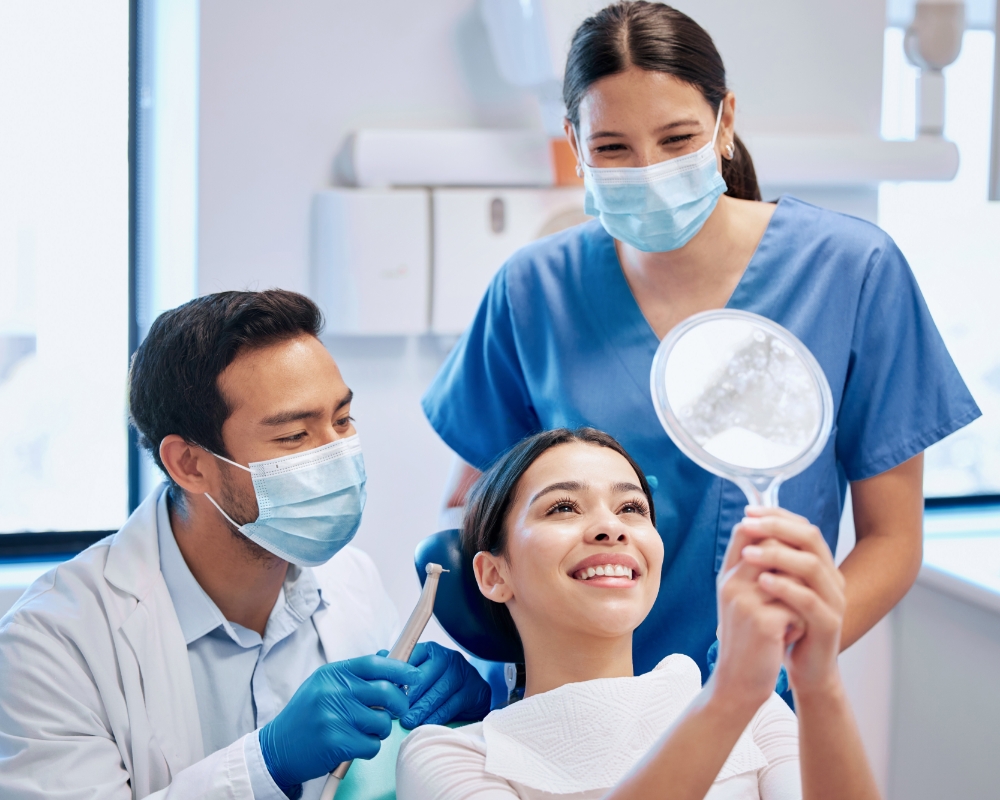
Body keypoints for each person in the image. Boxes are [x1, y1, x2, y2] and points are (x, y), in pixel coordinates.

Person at [422, 0, 980, 682]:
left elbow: (892, 542)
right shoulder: (534, 289)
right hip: (566, 702)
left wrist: (778, 665)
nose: (649, 169)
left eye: (677, 139)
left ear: (725, 123)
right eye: (613, 148)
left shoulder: (850, 272)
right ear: (575, 142)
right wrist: (468, 645)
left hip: (754, 709)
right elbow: (473, 514)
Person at [0, 290, 491, 800]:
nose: (338, 455)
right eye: (294, 437)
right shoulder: (53, 642)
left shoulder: (351, 578)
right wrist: (267, 762)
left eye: (342, 420)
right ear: (189, 464)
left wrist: (466, 713)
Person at [397, 428, 881, 799]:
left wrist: (819, 683)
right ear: (492, 575)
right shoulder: (454, 756)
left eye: (631, 507)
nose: (611, 527)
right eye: (563, 507)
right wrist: (729, 695)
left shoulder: (756, 716)